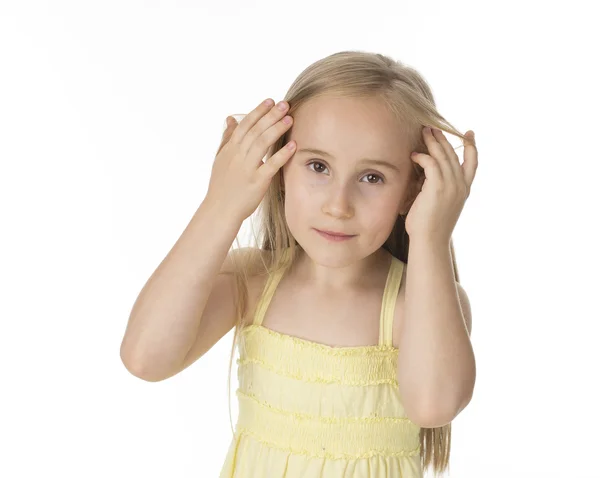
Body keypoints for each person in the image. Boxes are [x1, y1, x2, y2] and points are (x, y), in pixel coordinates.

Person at [120, 50, 478, 478]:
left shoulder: (418, 304)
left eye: (372, 177)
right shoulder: (253, 281)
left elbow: (434, 405)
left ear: (413, 190)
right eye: (318, 166)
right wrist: (221, 205)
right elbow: (145, 358)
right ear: (280, 168)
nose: (338, 205)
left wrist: (432, 238)